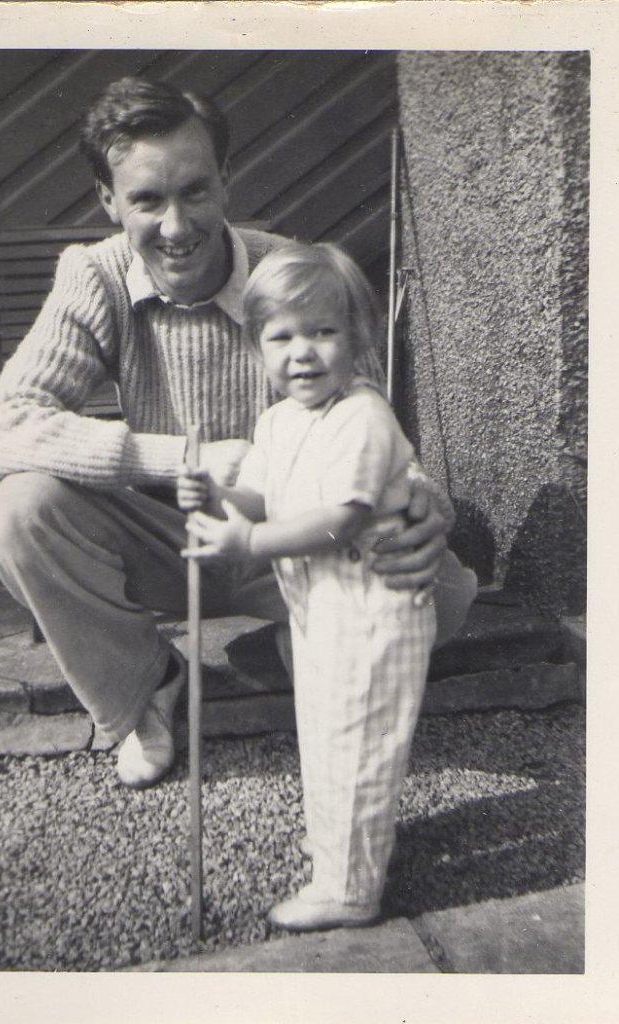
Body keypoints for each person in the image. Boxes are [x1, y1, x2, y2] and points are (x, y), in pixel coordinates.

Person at [0, 76, 474, 793]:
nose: (176, 227)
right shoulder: (95, 276)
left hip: (290, 544)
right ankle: (147, 686)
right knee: (18, 511)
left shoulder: (295, 273)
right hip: (170, 545)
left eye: (195, 191)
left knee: (443, 591)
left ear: (227, 181)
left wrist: (425, 507)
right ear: (109, 202)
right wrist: (181, 455)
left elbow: (383, 439)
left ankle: (283, 647)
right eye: (147, 200)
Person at [178, 241, 439, 930]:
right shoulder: (277, 420)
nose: (303, 353)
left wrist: (249, 543)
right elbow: (262, 495)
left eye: (323, 332)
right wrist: (216, 492)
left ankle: (350, 888)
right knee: (324, 732)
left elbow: (343, 516)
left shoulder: (361, 416)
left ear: (355, 337)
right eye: (282, 336)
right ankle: (341, 846)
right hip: (323, 611)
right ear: (257, 345)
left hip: (372, 611)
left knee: (356, 739)